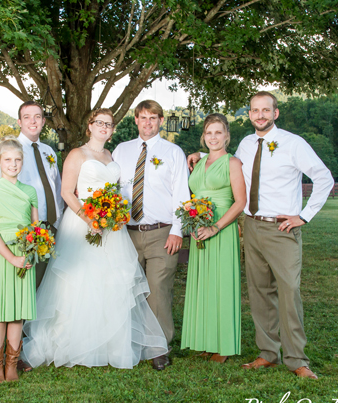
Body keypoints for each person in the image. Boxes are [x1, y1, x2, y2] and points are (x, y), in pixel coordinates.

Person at [187, 91, 334, 379]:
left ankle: (297, 360)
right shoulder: (245, 143)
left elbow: (324, 177)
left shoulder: (293, 144)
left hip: (281, 228)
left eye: (266, 110)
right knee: (259, 292)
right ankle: (268, 353)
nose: (260, 115)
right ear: (250, 114)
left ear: (275, 113)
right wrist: (201, 154)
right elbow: (226, 161)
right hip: (252, 226)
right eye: (255, 110)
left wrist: (304, 216)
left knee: (289, 292)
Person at [21, 109, 168, 369]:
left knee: (110, 282)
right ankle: (71, 342)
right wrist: (89, 219)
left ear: (112, 131)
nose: (104, 127)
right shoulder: (77, 155)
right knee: (77, 283)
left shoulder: (111, 156)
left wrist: (113, 214)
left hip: (112, 227)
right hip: (82, 225)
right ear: (90, 126)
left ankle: (108, 344)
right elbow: (67, 192)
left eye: (109, 124)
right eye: (99, 122)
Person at [112, 100, 191, 370]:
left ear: (160, 121)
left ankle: (159, 347)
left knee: (157, 291)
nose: (148, 123)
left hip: (162, 232)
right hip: (126, 232)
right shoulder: (121, 151)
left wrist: (178, 231)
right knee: (129, 289)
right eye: (143, 118)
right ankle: (130, 342)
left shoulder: (173, 152)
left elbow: (182, 194)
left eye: (153, 118)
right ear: (135, 120)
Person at [181, 114, 247, 363]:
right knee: (204, 284)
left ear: (227, 136)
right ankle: (206, 340)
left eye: (218, 132)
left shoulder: (233, 163)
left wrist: (216, 228)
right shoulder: (198, 162)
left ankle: (224, 345)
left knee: (222, 284)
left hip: (221, 229)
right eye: (209, 133)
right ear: (203, 137)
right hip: (199, 229)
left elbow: (240, 202)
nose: (213, 137)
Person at [0, 101, 63, 286]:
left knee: (47, 285)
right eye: (27, 117)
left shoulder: (48, 151)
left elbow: (57, 187)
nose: (33, 121)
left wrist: (58, 220)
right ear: (19, 122)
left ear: (44, 121)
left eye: (37, 117)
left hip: (51, 226)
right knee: (25, 283)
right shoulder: (7, 150)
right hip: (23, 229)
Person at [0, 136, 40, 383]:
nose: (13, 164)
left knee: (17, 312)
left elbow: (36, 226)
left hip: (24, 253)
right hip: (3, 254)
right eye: (7, 160)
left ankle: (12, 364)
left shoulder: (30, 191)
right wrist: (11, 258)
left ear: (22, 162)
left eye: (17, 160)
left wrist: (31, 250)